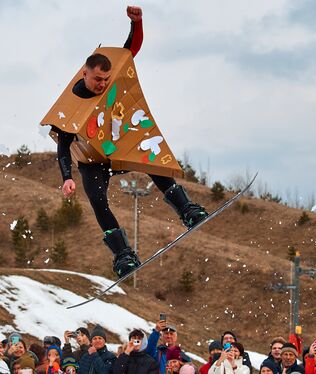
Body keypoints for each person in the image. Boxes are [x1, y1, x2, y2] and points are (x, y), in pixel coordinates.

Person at [50, 5, 208, 278]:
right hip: (91, 160)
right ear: (84, 74)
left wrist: (138, 23)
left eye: (106, 80)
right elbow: (63, 146)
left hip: (115, 145)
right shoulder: (71, 106)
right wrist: (67, 176)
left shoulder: (108, 79)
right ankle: (123, 254)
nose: (102, 84)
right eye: (97, 79)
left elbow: (130, 51)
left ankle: (187, 210)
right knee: (98, 200)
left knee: (150, 158)